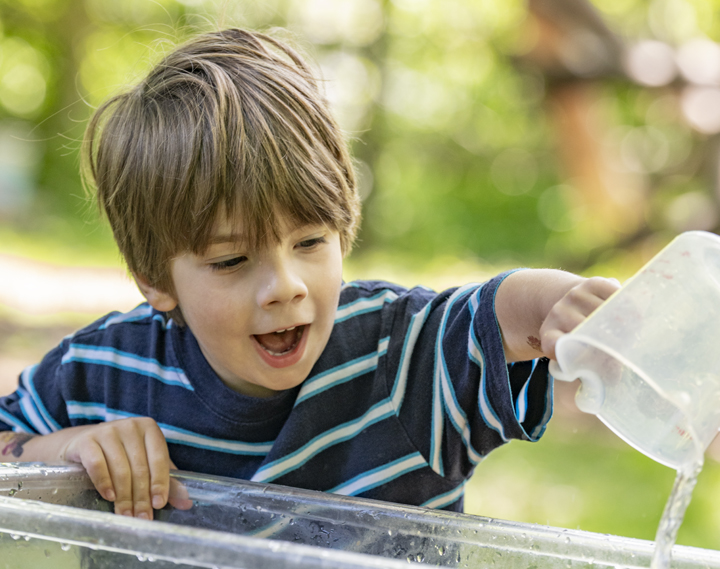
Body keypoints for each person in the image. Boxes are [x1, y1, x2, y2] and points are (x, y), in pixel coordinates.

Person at [0, 28, 616, 520]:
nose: (285, 285)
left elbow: (500, 312)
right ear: (155, 278)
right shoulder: (105, 379)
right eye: (232, 261)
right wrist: (70, 450)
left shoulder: (400, 365)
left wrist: (558, 306)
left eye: (310, 241)